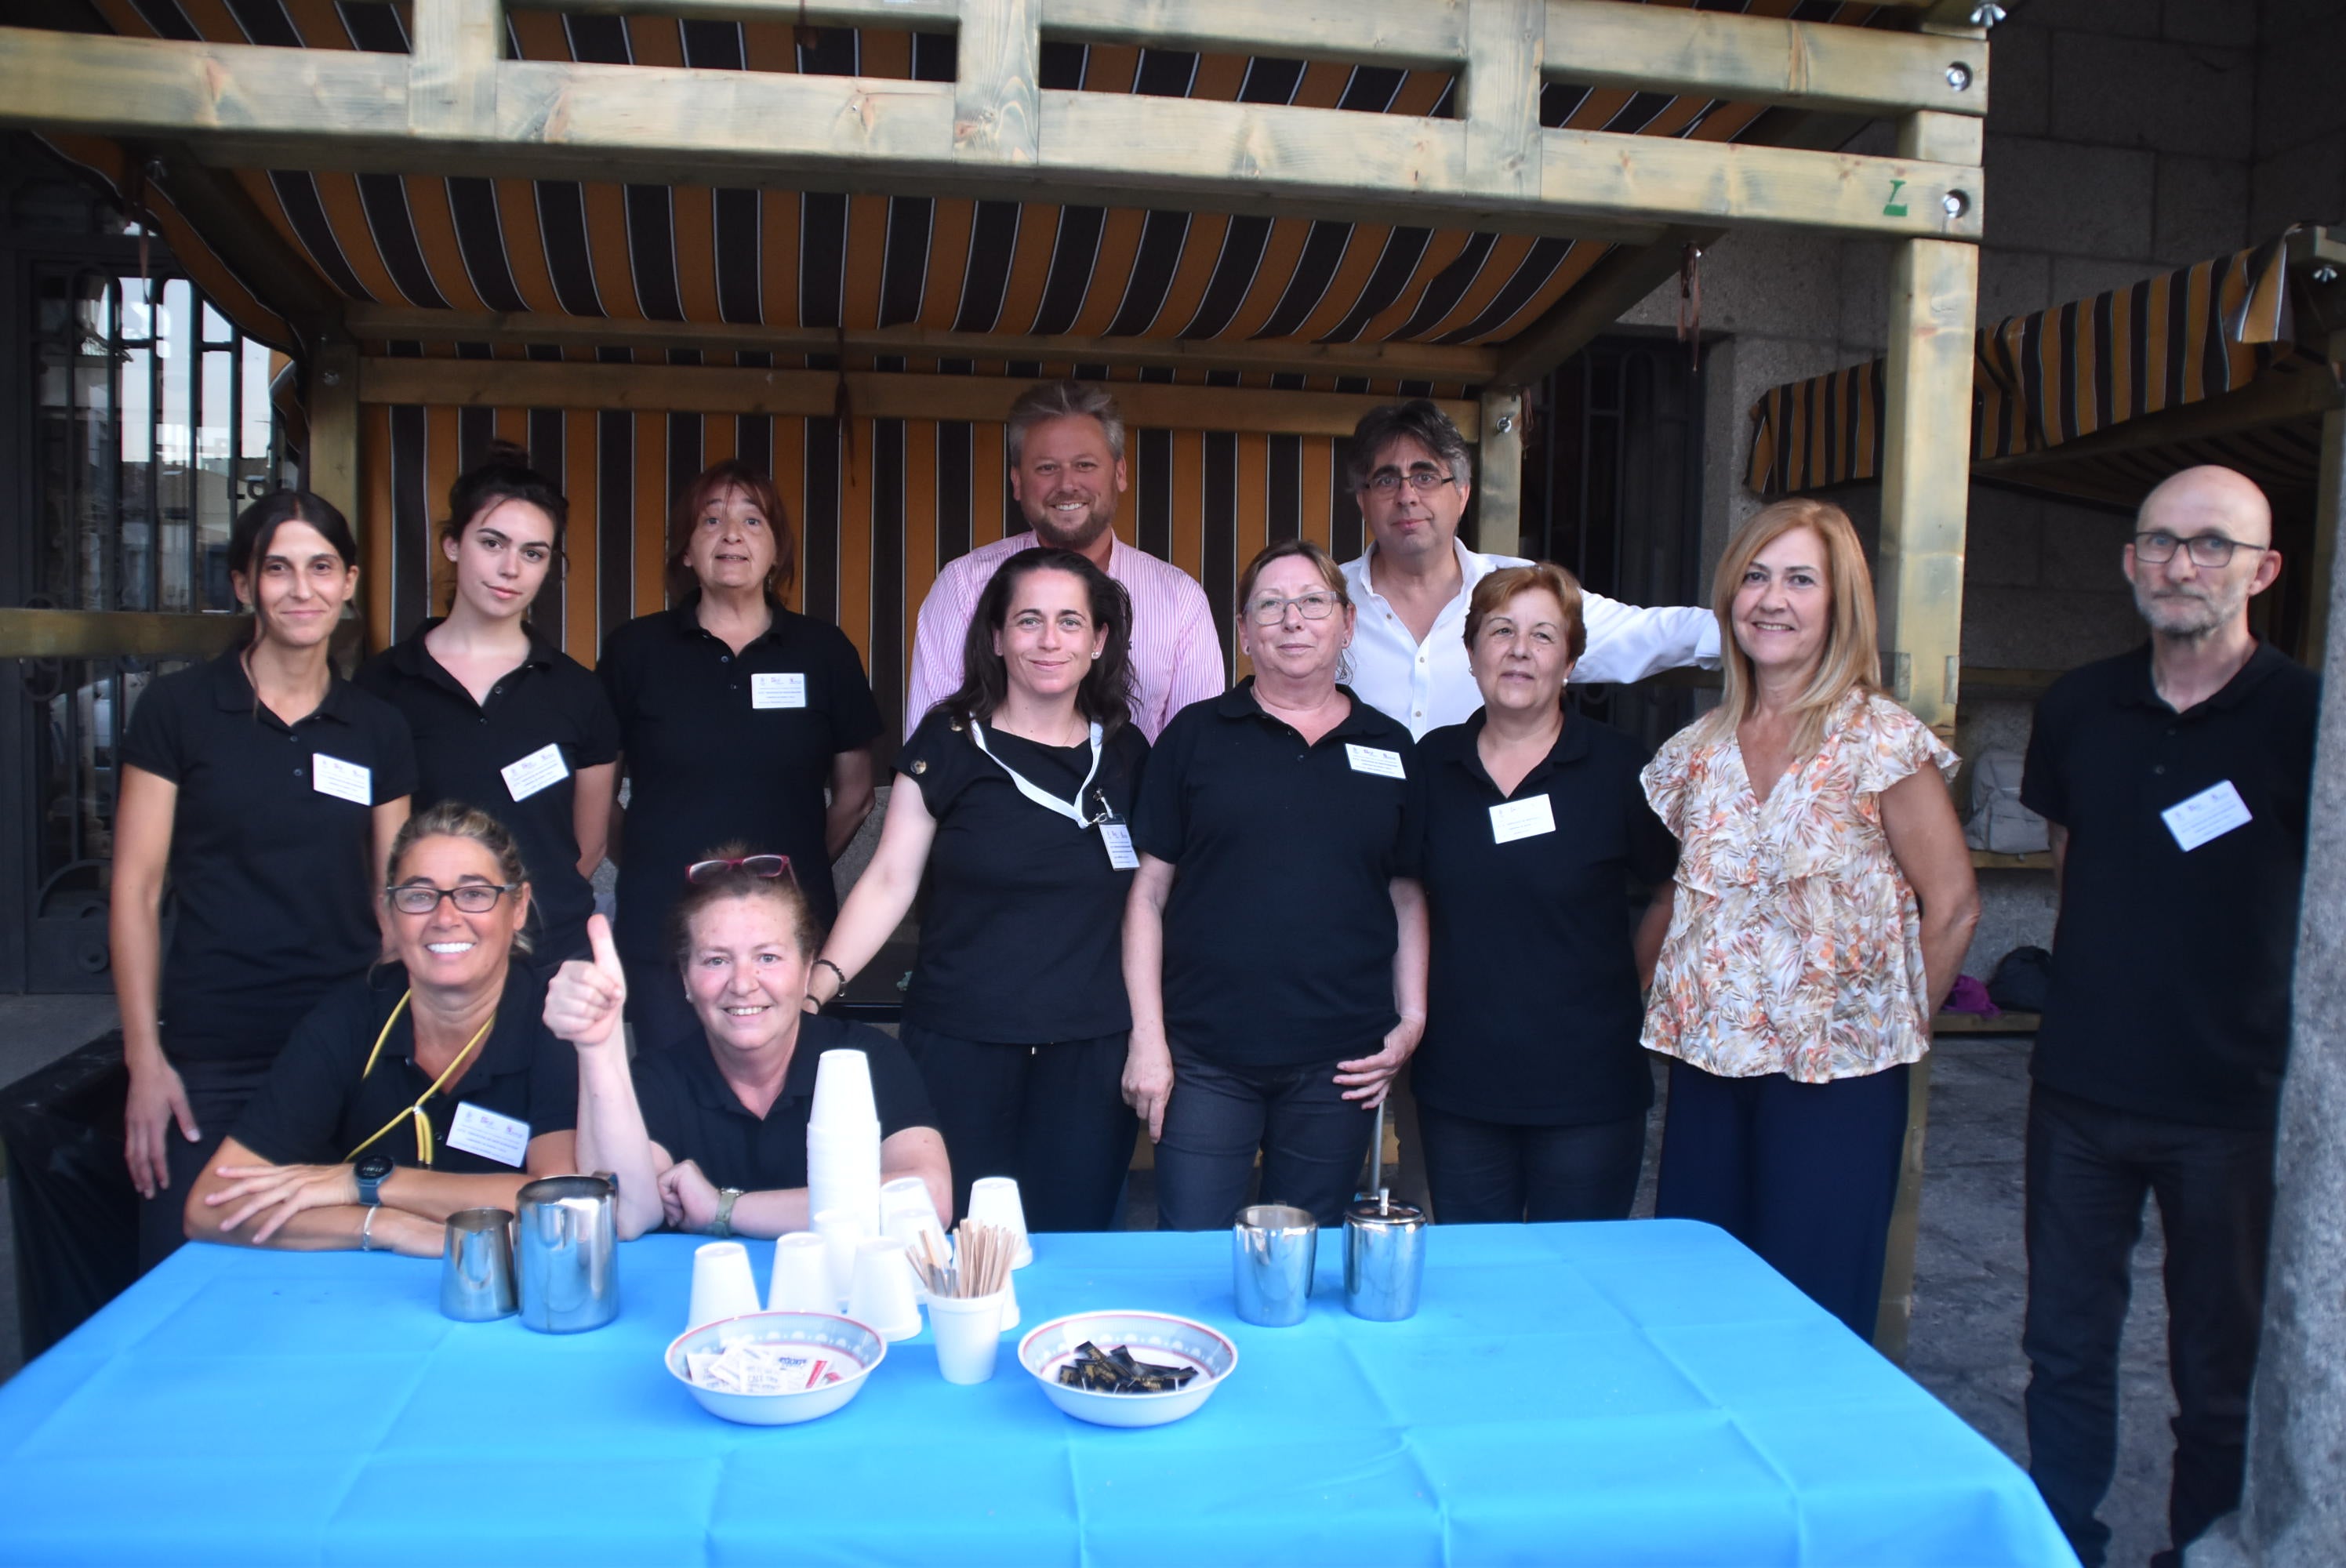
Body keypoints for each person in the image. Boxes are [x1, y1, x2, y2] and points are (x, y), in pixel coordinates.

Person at [2017, 466, 2314, 1568]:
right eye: (2159, 543)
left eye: (2211, 546)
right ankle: (2058, 1546)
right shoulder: (2081, 705)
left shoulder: (2307, 718)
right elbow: (2071, 870)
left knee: (2217, 1367)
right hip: (2083, 1090)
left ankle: (2202, 1549)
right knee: (2065, 1350)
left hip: (2232, 1102)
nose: (2181, 565)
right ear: (2129, 560)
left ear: (2263, 570)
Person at [1640, 498, 1977, 1338]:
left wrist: (1880, 1030)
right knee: (1699, 1293)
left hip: (1837, 1082)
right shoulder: (1693, 753)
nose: (1770, 598)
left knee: (1810, 1310)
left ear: (1839, 604)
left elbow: (1953, 903)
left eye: (1799, 579)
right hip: (1711, 1069)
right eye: (1754, 576)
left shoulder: (1879, 738)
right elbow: (1674, 901)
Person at [111, 490, 416, 1271]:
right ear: (245, 584)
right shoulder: (180, 709)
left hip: (342, 1041)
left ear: (349, 582)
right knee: (187, 1265)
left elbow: (397, 894)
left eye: (320, 568)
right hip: (213, 1046)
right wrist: (147, 1061)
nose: (301, 589)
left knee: (340, 1268)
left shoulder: (376, 726)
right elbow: (137, 890)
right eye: (277, 569)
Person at [808, 547, 1147, 1230]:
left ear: (1099, 640)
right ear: (996, 637)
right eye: (1027, 621)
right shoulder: (949, 742)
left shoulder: (1129, 755)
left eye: (1070, 623)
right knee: (950, 1239)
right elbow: (889, 879)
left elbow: (1151, 907)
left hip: (1090, 1050)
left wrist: (1153, 1037)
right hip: (960, 1042)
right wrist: (815, 989)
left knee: (1071, 1243)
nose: (1049, 641)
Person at [1125, 538, 1427, 1230]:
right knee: (1192, 1251)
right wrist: (1149, 1038)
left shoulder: (1390, 748)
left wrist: (1411, 1021)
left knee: (1307, 1260)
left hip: (1341, 1062)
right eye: (1271, 604)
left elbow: (1406, 895)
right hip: (1204, 1057)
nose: (1293, 620)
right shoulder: (1194, 737)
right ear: (1245, 632)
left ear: (1347, 624)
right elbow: (1147, 895)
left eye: (1313, 602)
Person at [181, 805, 580, 1256]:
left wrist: (366, 1182)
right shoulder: (349, 1019)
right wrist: (387, 1227)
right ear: (388, 913)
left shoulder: (554, 1018)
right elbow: (208, 1207)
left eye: (473, 894)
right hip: (356, 1292)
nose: (445, 917)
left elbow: (560, 1203)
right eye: (418, 896)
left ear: (519, 907)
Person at [1408, 563, 1679, 1222]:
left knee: (1576, 1284)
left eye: (1543, 636)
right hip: (1461, 1083)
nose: (1519, 651)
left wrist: (1630, 981)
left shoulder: (1619, 767)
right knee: (1476, 1281)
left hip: (1587, 1084)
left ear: (1571, 660)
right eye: (1500, 631)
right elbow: (1404, 894)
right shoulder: (1431, 765)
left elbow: (1675, 885)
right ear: (1472, 653)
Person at [599, 460, 881, 1052]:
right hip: (665, 923)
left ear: (777, 550)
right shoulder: (635, 651)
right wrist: (652, 861)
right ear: (685, 550)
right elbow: (597, 796)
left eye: (753, 520)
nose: (732, 534)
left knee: (788, 1102)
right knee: (673, 1103)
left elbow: (855, 795)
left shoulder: (823, 651)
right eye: (711, 520)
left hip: (789, 926)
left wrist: (791, 861)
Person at [547, 858, 950, 1241]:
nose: (743, 983)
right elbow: (627, 1214)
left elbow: (927, 1200)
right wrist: (598, 1046)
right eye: (716, 960)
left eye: (768, 957)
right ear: (686, 979)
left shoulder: (866, 1058)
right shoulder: (661, 1076)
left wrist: (724, 1210)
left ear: (808, 967)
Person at [358, 442, 619, 969]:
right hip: (429, 958)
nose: (510, 569)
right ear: (453, 544)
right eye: (492, 543)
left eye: (533, 553)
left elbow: (586, 850)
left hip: (549, 958)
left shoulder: (577, 691)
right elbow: (366, 843)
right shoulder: (384, 684)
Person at [1338, 399, 1719, 739]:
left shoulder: (1525, 592)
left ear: (1463, 493)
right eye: (1386, 480)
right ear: (1363, 500)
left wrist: (1762, 628)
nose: (1407, 496)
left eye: (1425, 477)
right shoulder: (1323, 599)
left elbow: (1647, 635)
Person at [904, 380, 1223, 740]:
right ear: (1017, 481)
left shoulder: (1179, 600)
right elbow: (929, 751)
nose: (1068, 484)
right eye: (1046, 468)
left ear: (1120, 473)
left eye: (1085, 464)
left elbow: (1199, 754)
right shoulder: (964, 586)